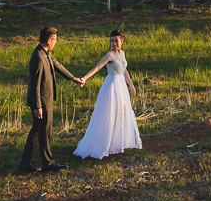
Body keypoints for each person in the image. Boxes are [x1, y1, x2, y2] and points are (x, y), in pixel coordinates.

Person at [21, 25, 84, 173]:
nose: (56, 41)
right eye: (55, 39)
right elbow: (35, 84)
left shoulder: (46, 53)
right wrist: (38, 106)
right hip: (41, 100)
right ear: (49, 41)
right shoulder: (38, 57)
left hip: (44, 99)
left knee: (38, 130)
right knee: (44, 131)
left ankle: (25, 162)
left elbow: (57, 66)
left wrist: (73, 78)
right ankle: (47, 163)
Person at [72, 30, 143, 160]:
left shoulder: (122, 54)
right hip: (112, 85)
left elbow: (124, 69)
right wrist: (85, 78)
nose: (114, 44)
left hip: (121, 85)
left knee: (122, 112)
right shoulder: (109, 56)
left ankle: (117, 141)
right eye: (112, 41)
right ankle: (105, 142)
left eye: (116, 41)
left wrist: (131, 85)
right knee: (110, 113)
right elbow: (97, 67)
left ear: (122, 41)